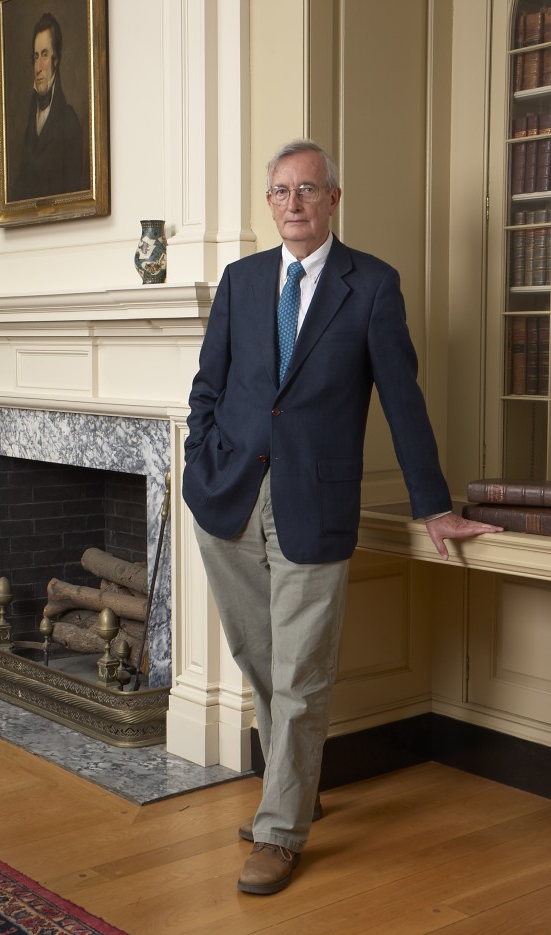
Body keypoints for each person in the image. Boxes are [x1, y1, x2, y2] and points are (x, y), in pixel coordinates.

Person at [182, 139, 503, 896]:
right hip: (226, 496)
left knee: (301, 671)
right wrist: (200, 459)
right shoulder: (241, 280)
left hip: (316, 502)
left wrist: (432, 503)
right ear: (270, 203)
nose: (293, 203)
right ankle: (296, 784)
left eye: (308, 190)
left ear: (333, 199)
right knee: (257, 653)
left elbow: (402, 400)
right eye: (280, 192)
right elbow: (207, 384)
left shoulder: (373, 287)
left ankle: (281, 829)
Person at [10, 12, 87, 202]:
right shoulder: (30, 124)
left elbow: (72, 198)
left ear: (55, 60)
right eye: (35, 57)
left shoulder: (69, 122)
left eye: (44, 55)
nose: (38, 67)